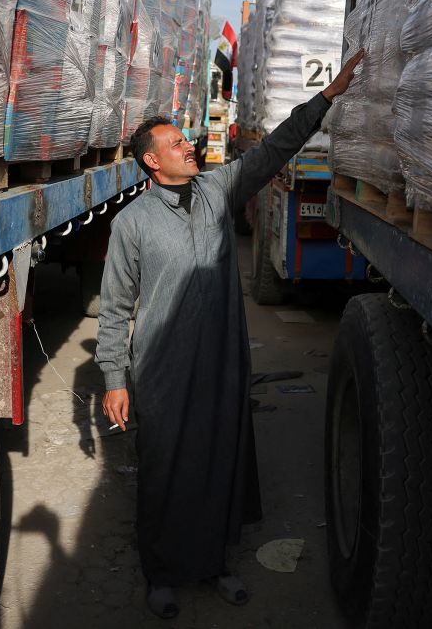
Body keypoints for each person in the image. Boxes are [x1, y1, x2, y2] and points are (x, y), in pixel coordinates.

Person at [96, 50, 365, 618]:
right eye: (175, 145)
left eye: (186, 141)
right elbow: (117, 307)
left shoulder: (219, 191)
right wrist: (114, 378)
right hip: (164, 367)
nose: (188, 147)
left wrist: (328, 96)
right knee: (166, 466)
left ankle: (216, 563)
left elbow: (275, 149)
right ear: (151, 161)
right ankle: (162, 573)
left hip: (221, 358)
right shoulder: (132, 225)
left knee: (220, 459)